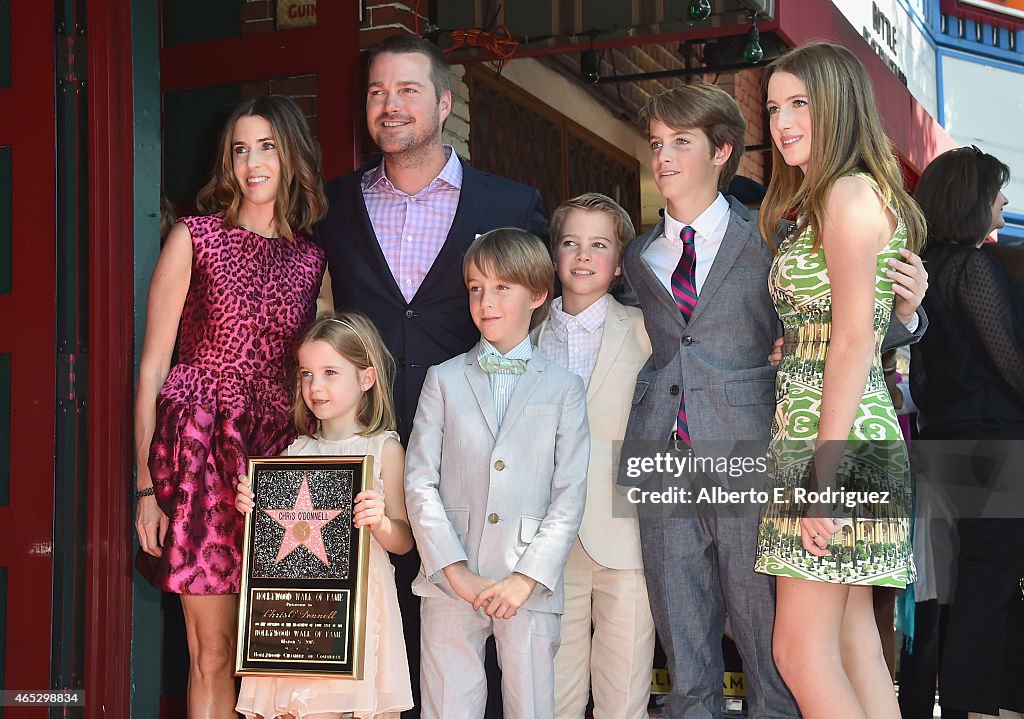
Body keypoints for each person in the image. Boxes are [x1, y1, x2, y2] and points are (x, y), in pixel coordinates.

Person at [614, 77, 928, 718]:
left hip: (761, 453)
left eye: (681, 141)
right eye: (656, 144)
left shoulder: (774, 237)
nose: (665, 156)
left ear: (722, 151)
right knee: (691, 650)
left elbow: (837, 326)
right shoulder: (637, 255)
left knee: (780, 654)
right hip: (666, 460)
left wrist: (908, 314)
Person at [313, 37, 548, 712]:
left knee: (486, 635)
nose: (390, 106)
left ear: (444, 102)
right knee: (378, 632)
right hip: (371, 456)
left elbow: (548, 316)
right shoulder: (333, 208)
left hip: (481, 458)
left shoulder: (510, 202)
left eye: (408, 90)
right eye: (377, 92)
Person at [133, 95, 328, 719]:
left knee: (281, 652)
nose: (252, 162)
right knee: (212, 653)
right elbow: (152, 368)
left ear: (291, 155)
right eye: (240, 148)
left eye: (267, 146)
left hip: (282, 466)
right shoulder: (195, 237)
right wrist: (144, 485)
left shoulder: (313, 261)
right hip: (200, 460)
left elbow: (327, 379)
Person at [750, 42, 925, 719]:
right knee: (854, 643)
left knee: (799, 652)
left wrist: (823, 478)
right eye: (773, 106)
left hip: (836, 449)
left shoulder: (850, 194)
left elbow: (855, 339)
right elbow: (843, 328)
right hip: (838, 439)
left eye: (800, 103)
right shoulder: (829, 199)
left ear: (837, 106)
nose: (783, 120)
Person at [403, 229, 589, 719]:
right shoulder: (442, 379)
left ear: (538, 294)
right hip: (449, 577)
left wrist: (526, 578)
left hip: (526, 579)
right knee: (447, 707)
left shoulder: (565, 389)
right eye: (475, 287)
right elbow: (419, 481)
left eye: (502, 287)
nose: (486, 301)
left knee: (531, 707)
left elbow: (569, 494)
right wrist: (453, 569)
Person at [234, 312, 415, 719]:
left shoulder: (383, 450)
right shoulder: (292, 454)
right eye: (306, 374)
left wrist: (381, 522)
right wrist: (252, 509)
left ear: (366, 378)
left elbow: (404, 542)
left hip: (359, 612)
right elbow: (273, 550)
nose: (315, 386)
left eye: (330, 372)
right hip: (297, 614)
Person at [909, 146, 1024, 719]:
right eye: (997, 191)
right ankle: (977, 707)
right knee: (989, 581)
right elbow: (1012, 362)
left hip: (950, 442)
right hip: (992, 443)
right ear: (972, 200)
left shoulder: (924, 269)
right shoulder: (969, 267)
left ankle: (979, 703)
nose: (1004, 202)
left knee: (972, 583)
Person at [534, 193, 655, 719]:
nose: (583, 255)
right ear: (554, 255)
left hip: (625, 533)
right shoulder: (528, 340)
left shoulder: (647, 330)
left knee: (622, 691)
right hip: (548, 544)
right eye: (571, 243)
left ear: (620, 262)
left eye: (599, 245)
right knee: (553, 692)